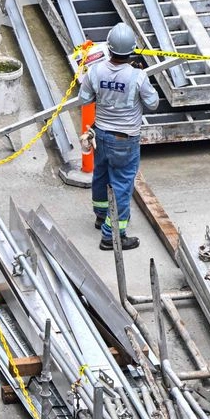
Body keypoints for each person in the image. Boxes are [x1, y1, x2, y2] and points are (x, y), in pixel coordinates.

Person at [80, 22, 159, 251]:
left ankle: (101, 215)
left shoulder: (95, 71)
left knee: (101, 175)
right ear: (131, 51)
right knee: (122, 184)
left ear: (109, 48)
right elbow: (153, 104)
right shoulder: (138, 76)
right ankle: (112, 234)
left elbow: (84, 99)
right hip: (125, 140)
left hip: (101, 135)